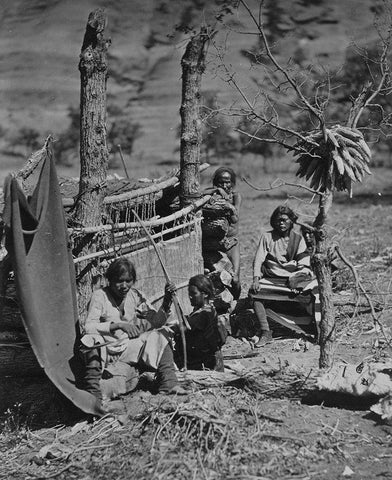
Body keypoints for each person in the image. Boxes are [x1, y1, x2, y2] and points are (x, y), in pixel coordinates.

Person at [81, 257, 186, 405]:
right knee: (91, 340)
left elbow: (156, 322)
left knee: (160, 334)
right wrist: (118, 325)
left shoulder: (135, 295)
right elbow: (89, 326)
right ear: (109, 280)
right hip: (107, 353)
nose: (124, 286)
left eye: (128, 281)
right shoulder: (100, 296)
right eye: (119, 281)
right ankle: (94, 398)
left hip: (128, 349)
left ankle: (168, 383)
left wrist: (167, 300)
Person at [250, 205, 314, 347]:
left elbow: (304, 262)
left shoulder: (298, 239)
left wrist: (297, 278)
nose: (281, 223)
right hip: (272, 276)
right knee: (255, 293)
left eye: (285, 220)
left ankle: (310, 327)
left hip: (292, 277)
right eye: (278, 220)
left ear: (291, 221)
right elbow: (259, 259)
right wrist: (256, 278)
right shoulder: (267, 237)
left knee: (310, 294)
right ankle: (266, 331)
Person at [202, 167, 242, 299]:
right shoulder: (212, 196)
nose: (225, 185)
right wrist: (217, 192)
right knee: (218, 277)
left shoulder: (236, 197)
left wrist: (226, 205)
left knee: (235, 278)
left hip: (231, 243)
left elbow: (235, 218)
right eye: (221, 183)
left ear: (232, 182)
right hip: (215, 244)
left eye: (227, 182)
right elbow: (201, 193)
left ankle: (236, 303)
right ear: (216, 183)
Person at [175, 274, 225, 371]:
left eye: (194, 293)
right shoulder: (205, 310)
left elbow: (183, 328)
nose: (190, 296)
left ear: (205, 294)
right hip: (208, 361)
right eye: (189, 293)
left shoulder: (205, 313)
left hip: (208, 366)